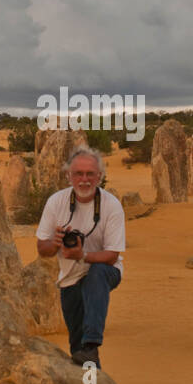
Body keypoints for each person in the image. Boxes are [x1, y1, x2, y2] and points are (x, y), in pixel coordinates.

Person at [35, 147, 125, 370]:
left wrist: (82, 255)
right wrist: (54, 243)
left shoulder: (111, 205)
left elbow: (113, 255)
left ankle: (93, 342)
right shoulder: (56, 202)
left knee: (95, 273)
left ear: (99, 177)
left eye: (90, 174)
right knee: (78, 351)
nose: (84, 179)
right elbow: (41, 248)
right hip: (69, 277)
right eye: (78, 173)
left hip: (107, 271)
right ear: (68, 176)